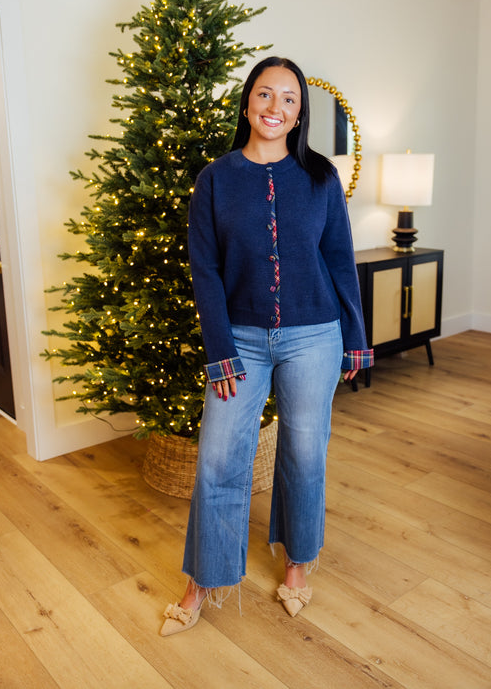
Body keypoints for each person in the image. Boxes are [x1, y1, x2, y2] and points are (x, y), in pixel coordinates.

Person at [160, 56, 373, 636]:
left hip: (314, 336)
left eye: (288, 99)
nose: (275, 107)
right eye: (264, 94)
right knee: (217, 459)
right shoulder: (215, 179)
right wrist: (220, 349)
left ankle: (299, 563)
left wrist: (355, 338)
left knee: (305, 453)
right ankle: (202, 580)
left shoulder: (321, 178)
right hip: (240, 342)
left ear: (299, 114)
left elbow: (340, 260)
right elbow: (205, 269)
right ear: (247, 102)